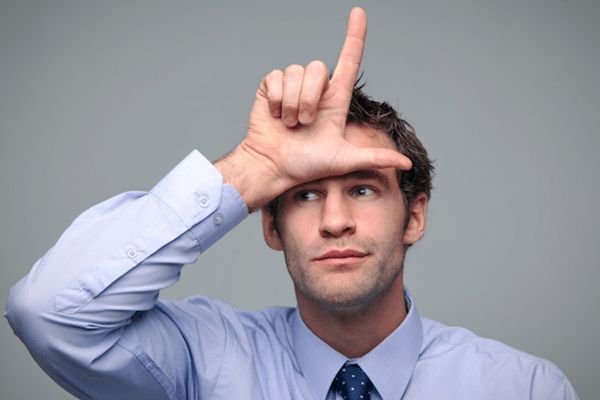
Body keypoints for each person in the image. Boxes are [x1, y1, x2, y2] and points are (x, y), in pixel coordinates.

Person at [5, 7, 577, 400]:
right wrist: (256, 167)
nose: (335, 221)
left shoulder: (522, 387)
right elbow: (48, 314)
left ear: (416, 216)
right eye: (305, 196)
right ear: (271, 228)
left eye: (362, 188)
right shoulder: (199, 362)